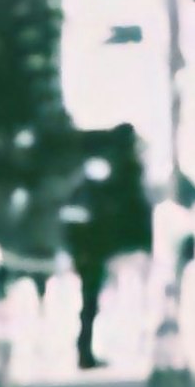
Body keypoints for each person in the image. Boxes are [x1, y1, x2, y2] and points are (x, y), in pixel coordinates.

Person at [64, 129, 149, 368]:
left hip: (96, 248)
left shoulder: (107, 178)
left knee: (92, 303)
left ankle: (87, 350)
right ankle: (85, 351)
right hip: (93, 249)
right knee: (90, 303)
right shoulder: (105, 179)